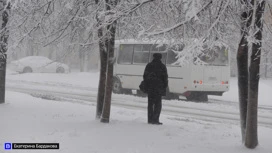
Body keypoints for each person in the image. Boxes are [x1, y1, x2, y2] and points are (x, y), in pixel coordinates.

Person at [143, 53, 168, 125]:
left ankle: (150, 119)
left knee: (150, 104)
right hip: (158, 89)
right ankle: (155, 119)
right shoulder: (162, 66)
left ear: (153, 57)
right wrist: (164, 86)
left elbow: (145, 76)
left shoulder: (149, 65)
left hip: (150, 88)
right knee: (158, 105)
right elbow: (165, 78)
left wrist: (148, 84)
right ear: (160, 58)